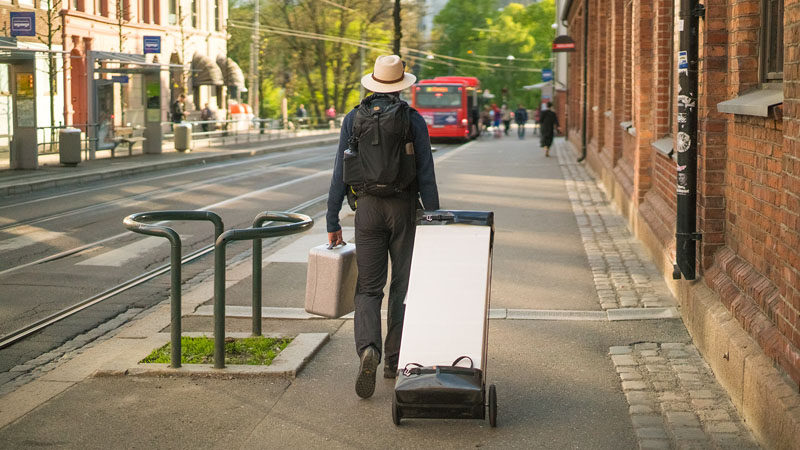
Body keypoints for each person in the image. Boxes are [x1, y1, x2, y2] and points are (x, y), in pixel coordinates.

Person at [326, 55, 439, 399]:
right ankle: (393, 359)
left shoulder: (353, 119)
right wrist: (434, 219)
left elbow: (339, 172)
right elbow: (426, 175)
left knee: (368, 289)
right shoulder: (413, 120)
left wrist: (332, 219)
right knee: (403, 288)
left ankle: (367, 351)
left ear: (372, 83)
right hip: (404, 209)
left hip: (368, 210)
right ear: (402, 85)